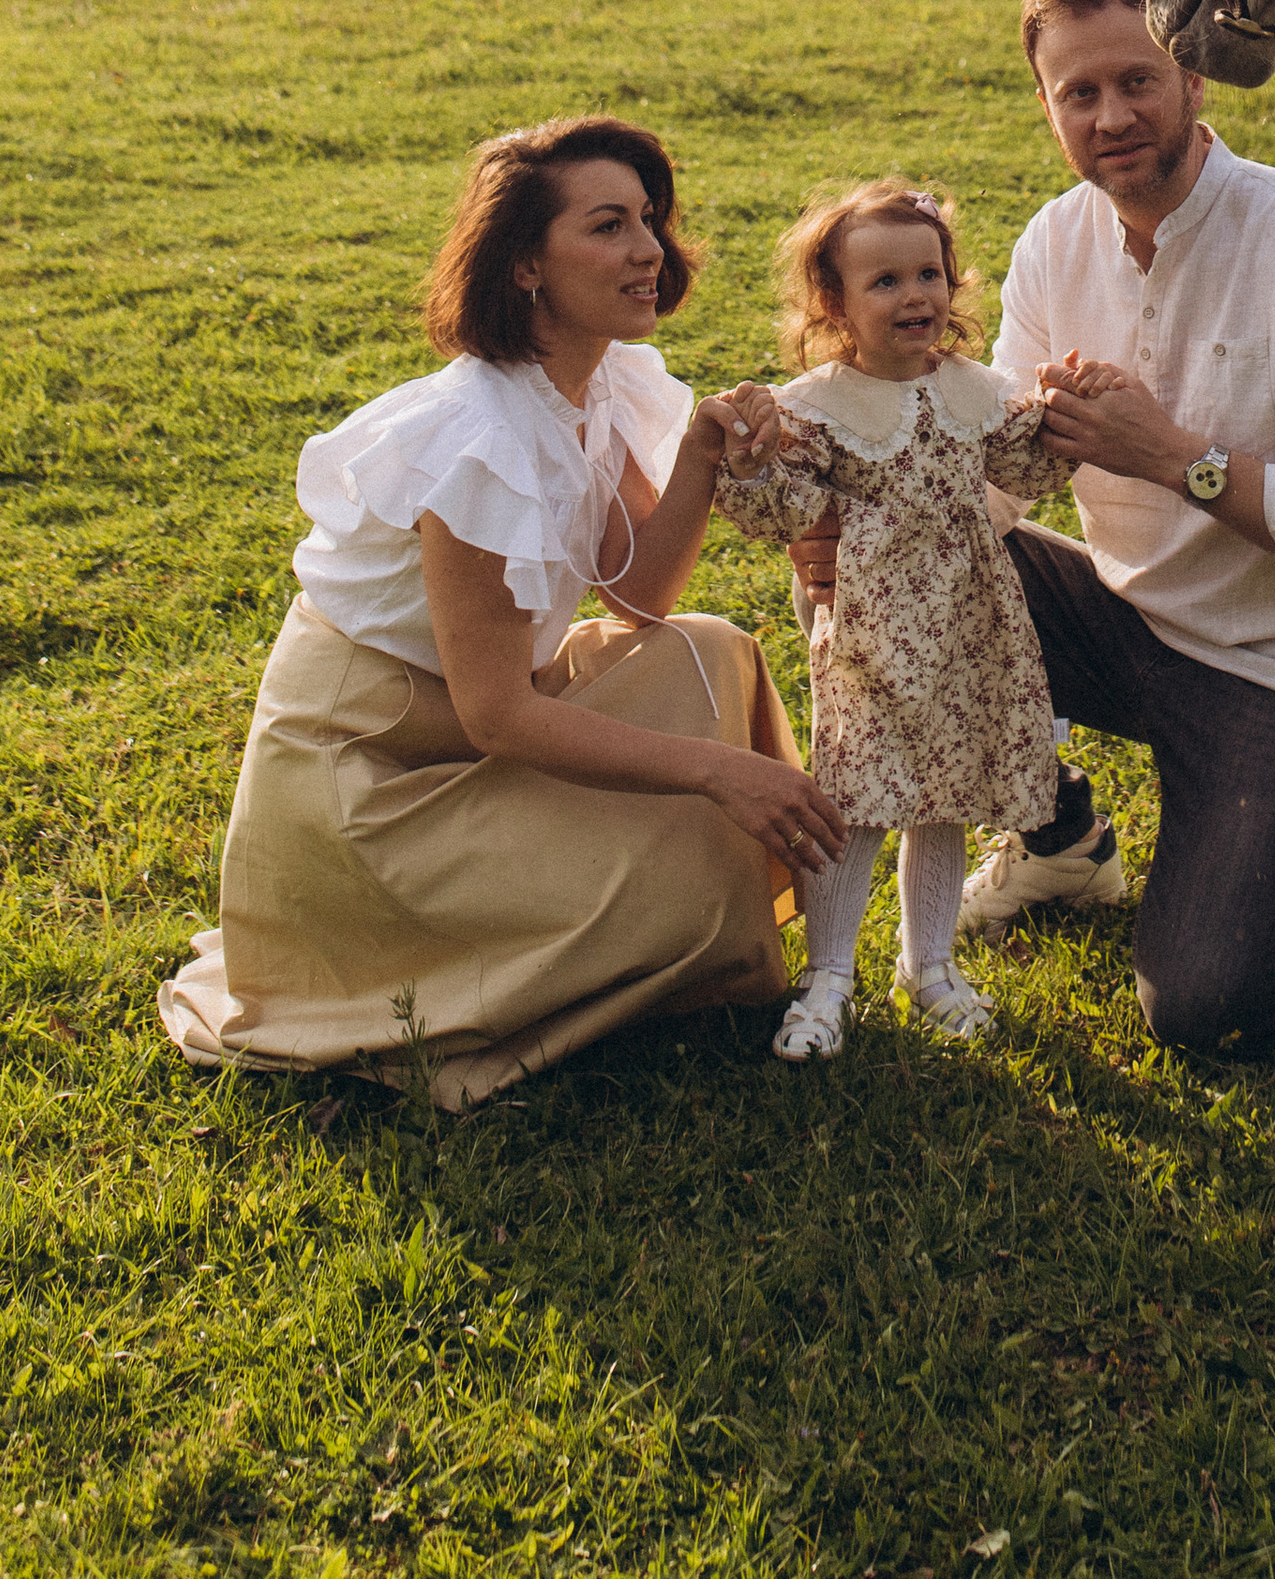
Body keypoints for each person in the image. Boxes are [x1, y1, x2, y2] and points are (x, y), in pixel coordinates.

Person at [158, 113, 847, 1113]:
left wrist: (697, 460)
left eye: (648, 219)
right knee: (697, 863)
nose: (649, 249)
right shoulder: (478, 436)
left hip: (474, 730)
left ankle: (651, 919)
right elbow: (498, 716)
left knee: (710, 655)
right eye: (608, 226)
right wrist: (716, 772)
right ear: (526, 265)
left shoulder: (599, 382)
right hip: (370, 780)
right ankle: (422, 987)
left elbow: (638, 596)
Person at [968, 0, 1275, 1051]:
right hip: (1126, 621)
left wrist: (1177, 459)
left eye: (1136, 80)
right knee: (906, 565)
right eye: (1077, 93)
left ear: (1196, 80)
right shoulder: (1051, 241)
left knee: (1209, 1018)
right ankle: (1060, 837)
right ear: (1046, 107)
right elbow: (995, 478)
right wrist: (872, 541)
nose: (1110, 116)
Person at [711, 178, 1065, 1058]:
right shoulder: (822, 405)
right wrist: (755, 462)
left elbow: (1029, 465)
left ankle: (929, 966)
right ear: (834, 303)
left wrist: (1069, 413)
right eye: (885, 283)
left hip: (968, 627)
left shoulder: (974, 389)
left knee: (939, 794)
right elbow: (785, 513)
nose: (915, 298)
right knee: (856, 799)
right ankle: (829, 973)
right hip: (871, 633)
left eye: (930, 275)